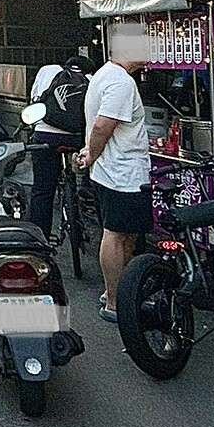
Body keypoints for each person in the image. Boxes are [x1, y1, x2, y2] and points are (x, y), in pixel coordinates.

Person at [75, 24, 152, 323]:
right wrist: (92, 154)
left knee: (124, 234)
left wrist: (91, 155)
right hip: (122, 174)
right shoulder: (120, 82)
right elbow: (102, 126)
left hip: (114, 172)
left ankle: (121, 292)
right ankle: (115, 301)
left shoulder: (106, 75)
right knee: (116, 235)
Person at [27, 56, 93, 235]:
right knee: (92, 179)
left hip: (45, 137)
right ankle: (87, 195)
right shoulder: (91, 79)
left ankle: (39, 237)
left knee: (42, 189)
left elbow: (35, 100)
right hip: (77, 139)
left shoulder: (47, 70)